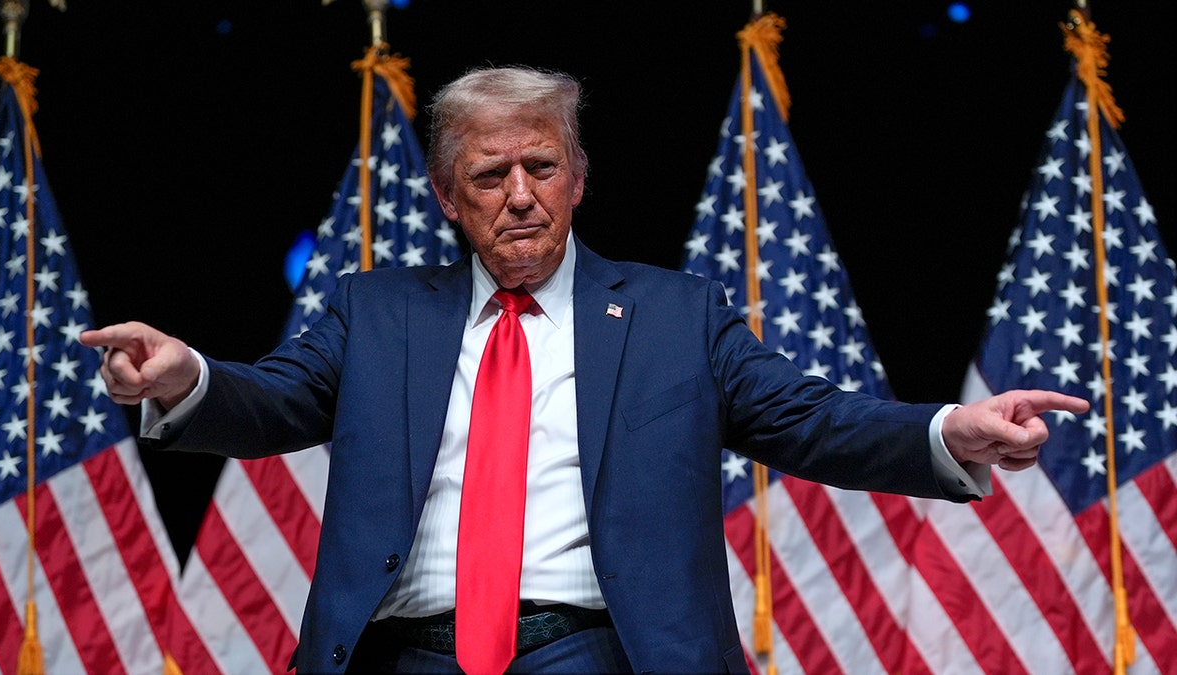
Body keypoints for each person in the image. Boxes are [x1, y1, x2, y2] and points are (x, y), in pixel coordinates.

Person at [80, 66, 1088, 675]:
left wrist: (951, 432)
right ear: (446, 195)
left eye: (542, 168)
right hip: (404, 652)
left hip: (601, 649)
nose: (521, 196)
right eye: (489, 175)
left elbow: (810, 418)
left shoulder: (675, 316)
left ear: (579, 177)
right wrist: (183, 377)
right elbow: (273, 403)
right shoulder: (373, 310)